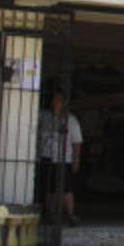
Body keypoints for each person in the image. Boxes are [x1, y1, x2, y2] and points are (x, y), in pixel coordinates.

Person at [38, 88, 83, 227]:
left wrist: (76, 160)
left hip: (64, 159)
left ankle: (70, 215)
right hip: (46, 157)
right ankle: (51, 215)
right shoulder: (43, 116)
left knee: (66, 189)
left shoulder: (70, 120)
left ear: (64, 103)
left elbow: (77, 142)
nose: (54, 102)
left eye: (58, 100)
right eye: (53, 99)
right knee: (49, 189)